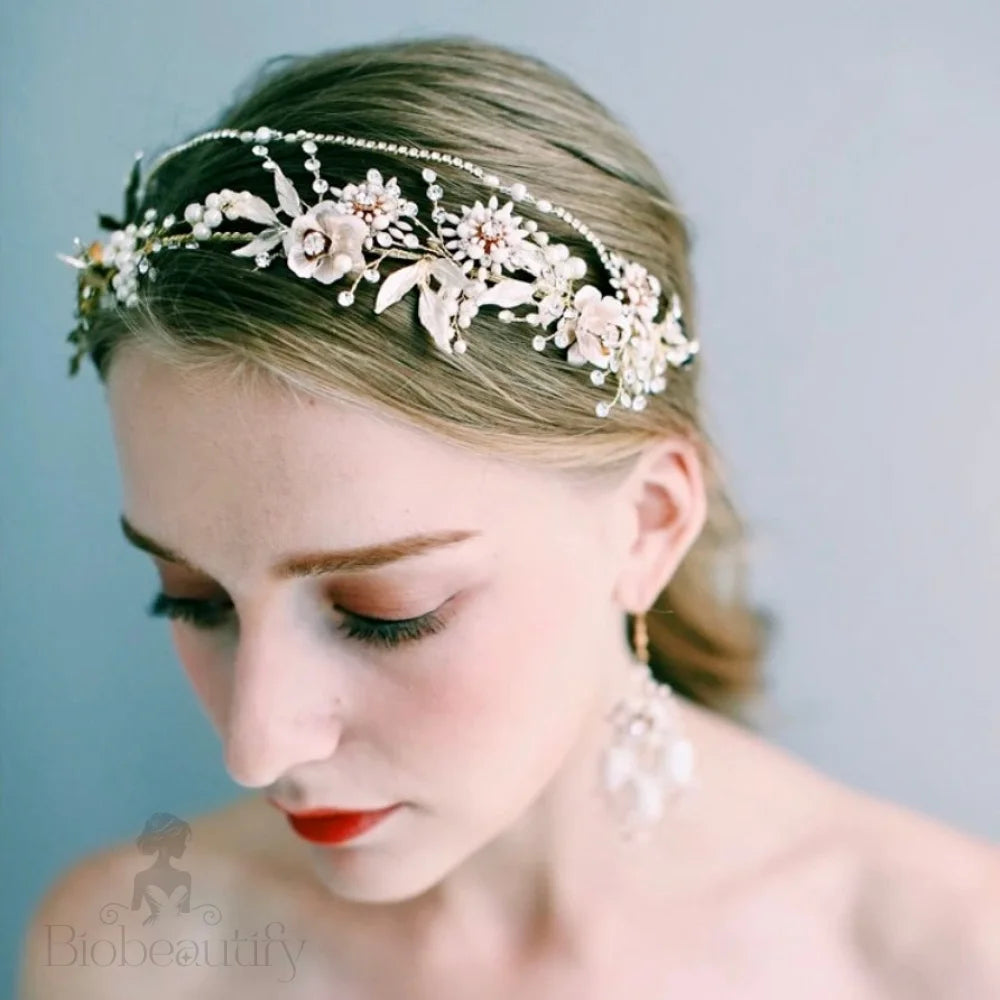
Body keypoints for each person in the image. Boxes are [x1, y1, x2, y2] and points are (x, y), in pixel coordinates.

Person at [20, 35, 999, 999]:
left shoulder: (943, 960)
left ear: (648, 525)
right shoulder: (133, 953)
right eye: (192, 600)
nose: (258, 746)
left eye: (386, 609)